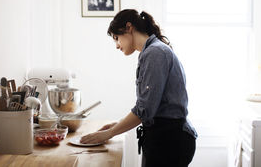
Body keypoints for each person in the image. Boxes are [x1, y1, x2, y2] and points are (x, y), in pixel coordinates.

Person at [80, 9, 197, 167]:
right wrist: (117, 125)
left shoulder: (155, 53)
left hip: (170, 141)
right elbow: (147, 107)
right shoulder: (153, 51)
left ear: (129, 27)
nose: (116, 45)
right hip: (166, 138)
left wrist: (109, 133)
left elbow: (145, 110)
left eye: (116, 38)